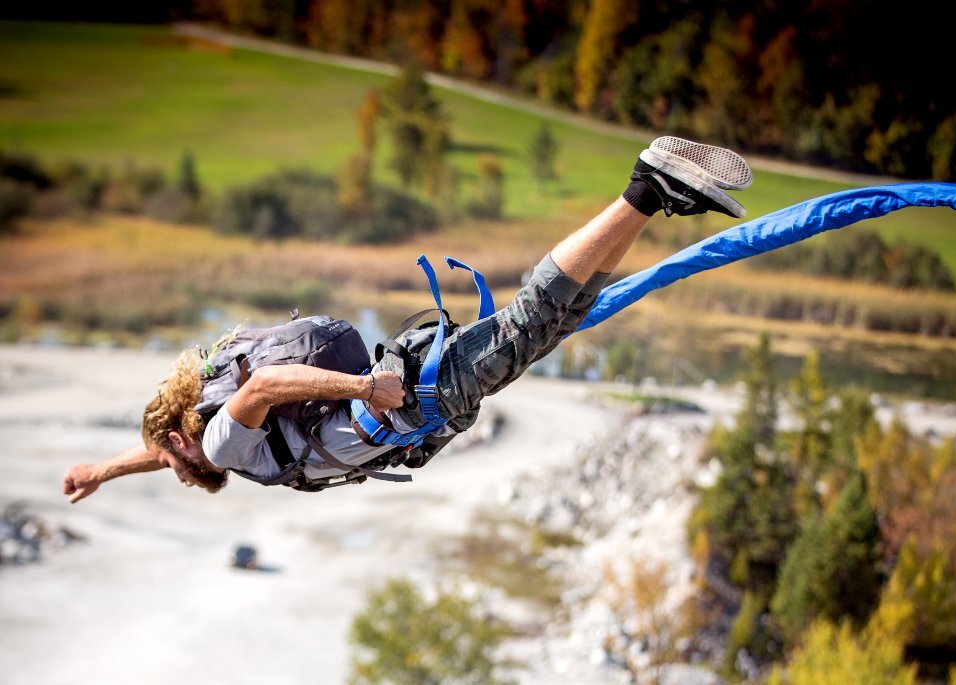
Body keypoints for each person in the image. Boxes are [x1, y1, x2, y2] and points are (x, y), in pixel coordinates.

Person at [62, 136, 752, 502]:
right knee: (548, 325)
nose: (176, 473)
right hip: (409, 391)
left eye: (171, 461)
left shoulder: (215, 443)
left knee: (530, 321)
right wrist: (103, 469)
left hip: (400, 401)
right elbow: (165, 449)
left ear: (183, 439)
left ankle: (644, 183)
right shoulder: (203, 441)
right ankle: (656, 197)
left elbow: (262, 387)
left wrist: (365, 391)